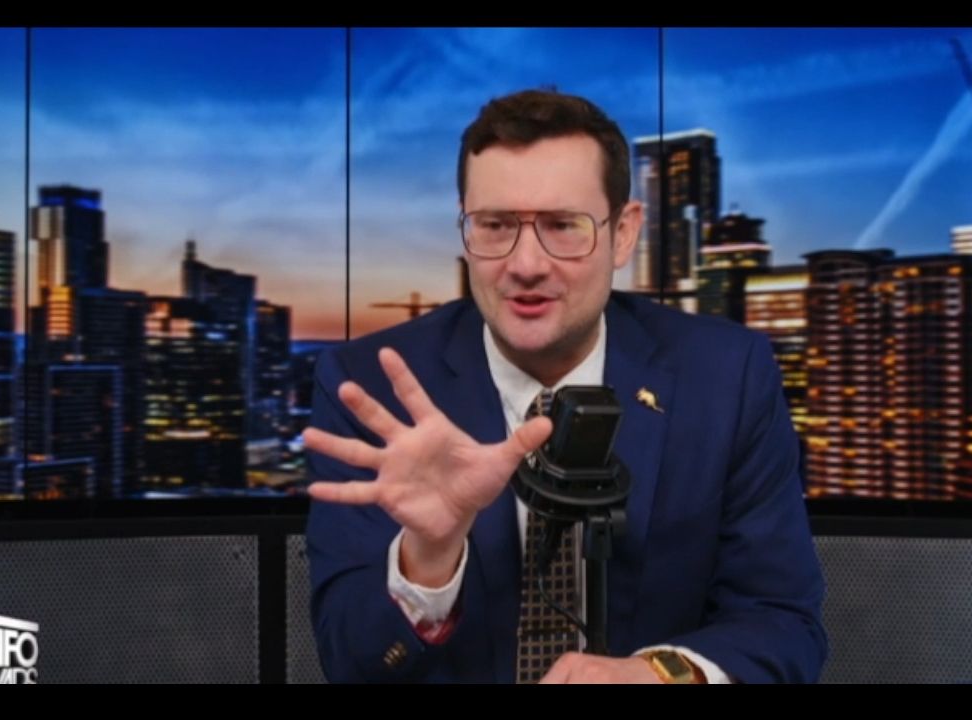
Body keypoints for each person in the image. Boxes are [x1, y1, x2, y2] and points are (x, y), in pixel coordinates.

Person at [304, 89, 826, 683]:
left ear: (623, 233)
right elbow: (350, 664)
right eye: (495, 225)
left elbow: (783, 624)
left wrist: (659, 677)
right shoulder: (370, 387)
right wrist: (428, 556)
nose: (526, 264)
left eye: (563, 226)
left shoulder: (727, 375)